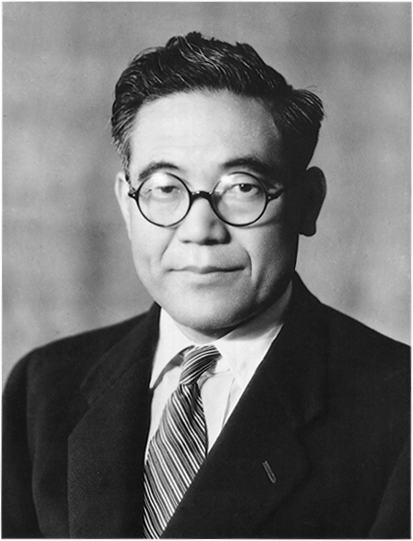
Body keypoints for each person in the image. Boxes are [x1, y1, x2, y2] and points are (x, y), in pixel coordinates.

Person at [1, 32, 410, 539]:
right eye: (164, 188)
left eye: (242, 187)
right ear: (128, 205)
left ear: (307, 203)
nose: (200, 229)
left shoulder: (398, 408)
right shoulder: (42, 390)